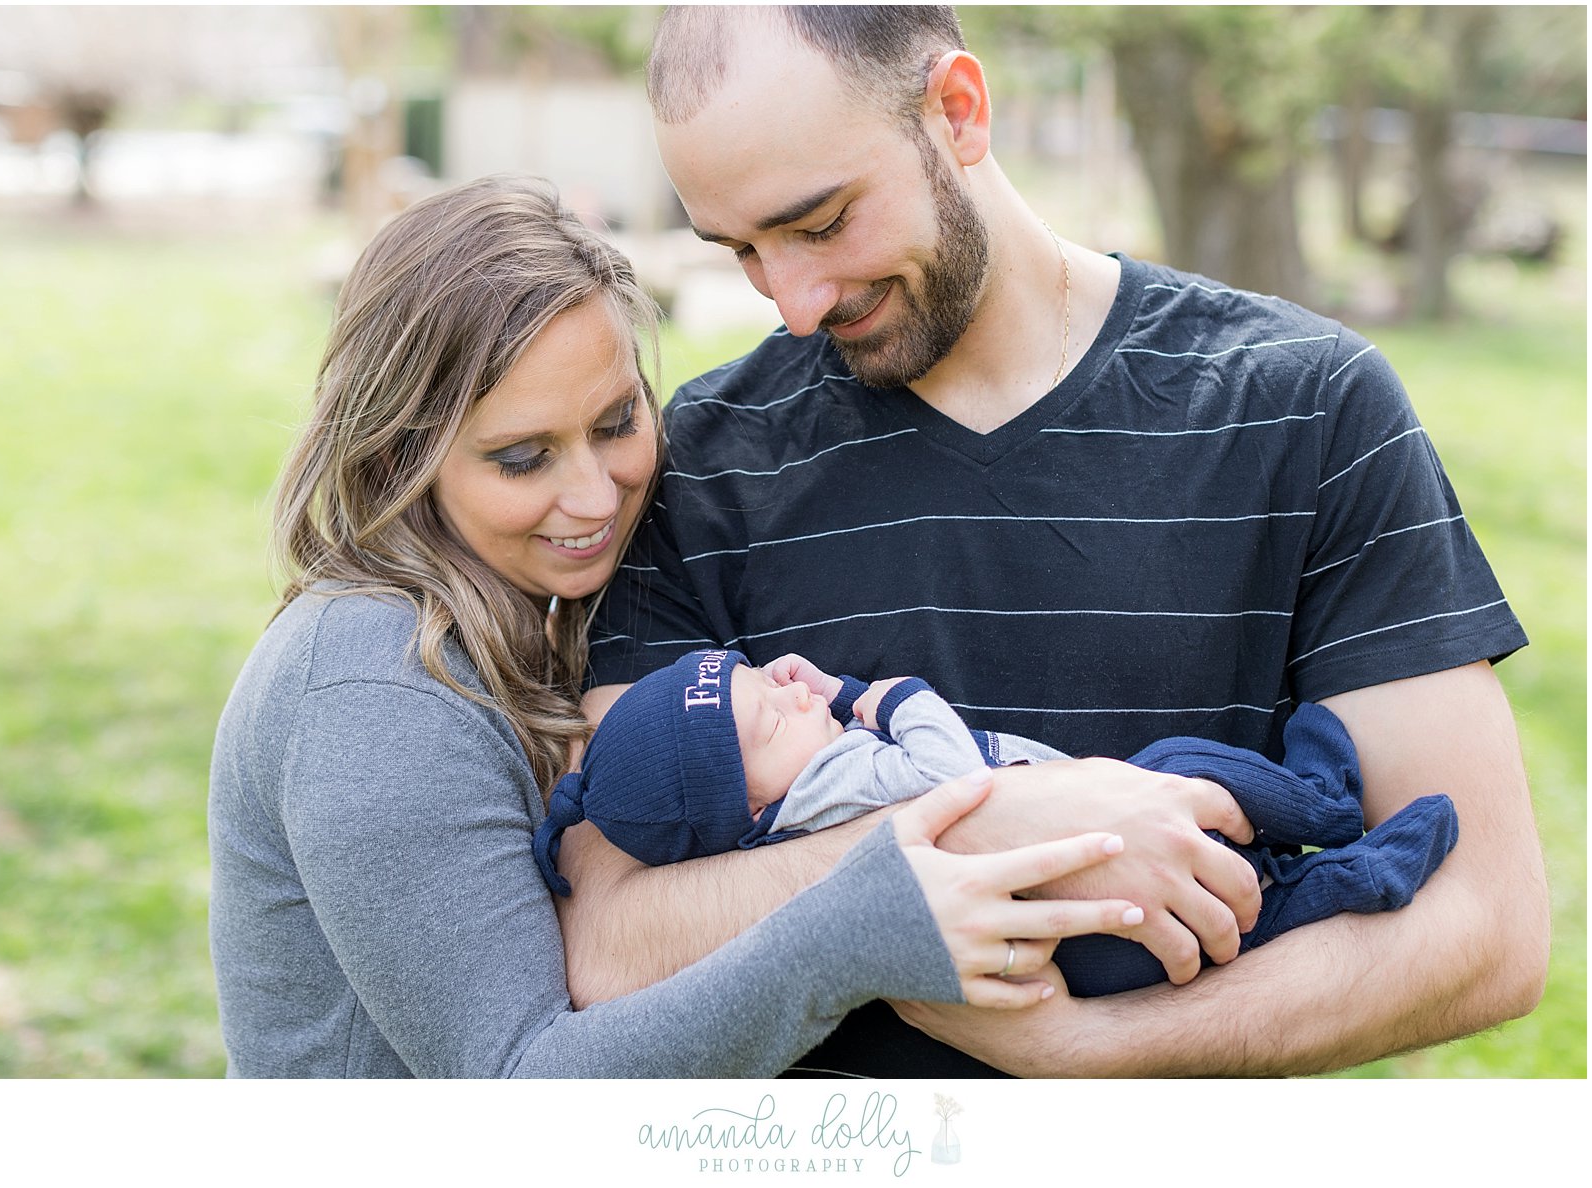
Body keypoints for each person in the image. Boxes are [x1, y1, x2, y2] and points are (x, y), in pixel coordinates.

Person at [572, 6, 1549, 1077]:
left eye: (820, 222)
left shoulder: (1305, 408)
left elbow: (1484, 927)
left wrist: (1090, 1051)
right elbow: (610, 944)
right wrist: (971, 834)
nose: (795, 304)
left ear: (957, 110)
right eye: (743, 250)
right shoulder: (701, 464)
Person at [207, 173, 1151, 1078]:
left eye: (617, 422)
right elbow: (517, 1087)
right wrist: (850, 930)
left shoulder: (513, 623)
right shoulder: (374, 684)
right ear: (397, 453)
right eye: (523, 457)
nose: (594, 494)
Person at [534, 647, 1458, 998]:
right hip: (1085, 907)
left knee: (1251, 910)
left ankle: (1341, 876)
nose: (784, 687)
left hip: (1075, 935)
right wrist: (883, 696)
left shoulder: (798, 794)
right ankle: (1332, 814)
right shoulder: (828, 793)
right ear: (751, 809)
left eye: (753, 676)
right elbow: (953, 774)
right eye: (762, 718)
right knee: (1187, 774)